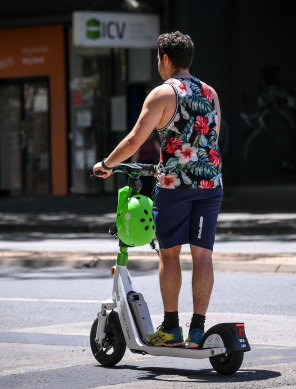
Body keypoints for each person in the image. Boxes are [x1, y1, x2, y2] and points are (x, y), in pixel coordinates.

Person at [93, 31, 223, 349]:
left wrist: (107, 164)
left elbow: (136, 140)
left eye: (157, 59)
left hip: (175, 185)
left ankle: (171, 328)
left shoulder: (163, 94)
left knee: (170, 253)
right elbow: (213, 138)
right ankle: (198, 330)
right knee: (203, 256)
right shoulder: (210, 93)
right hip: (210, 183)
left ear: (165, 59)